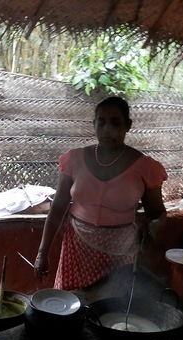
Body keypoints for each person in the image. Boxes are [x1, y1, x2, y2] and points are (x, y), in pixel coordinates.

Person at [34, 96, 167, 290]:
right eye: (101, 122)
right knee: (72, 304)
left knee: (110, 307)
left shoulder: (145, 167)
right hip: (76, 248)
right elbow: (57, 208)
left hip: (120, 252)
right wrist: (42, 253)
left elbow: (158, 213)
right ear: (94, 124)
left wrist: (153, 227)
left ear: (128, 125)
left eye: (115, 123)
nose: (107, 129)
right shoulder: (75, 159)